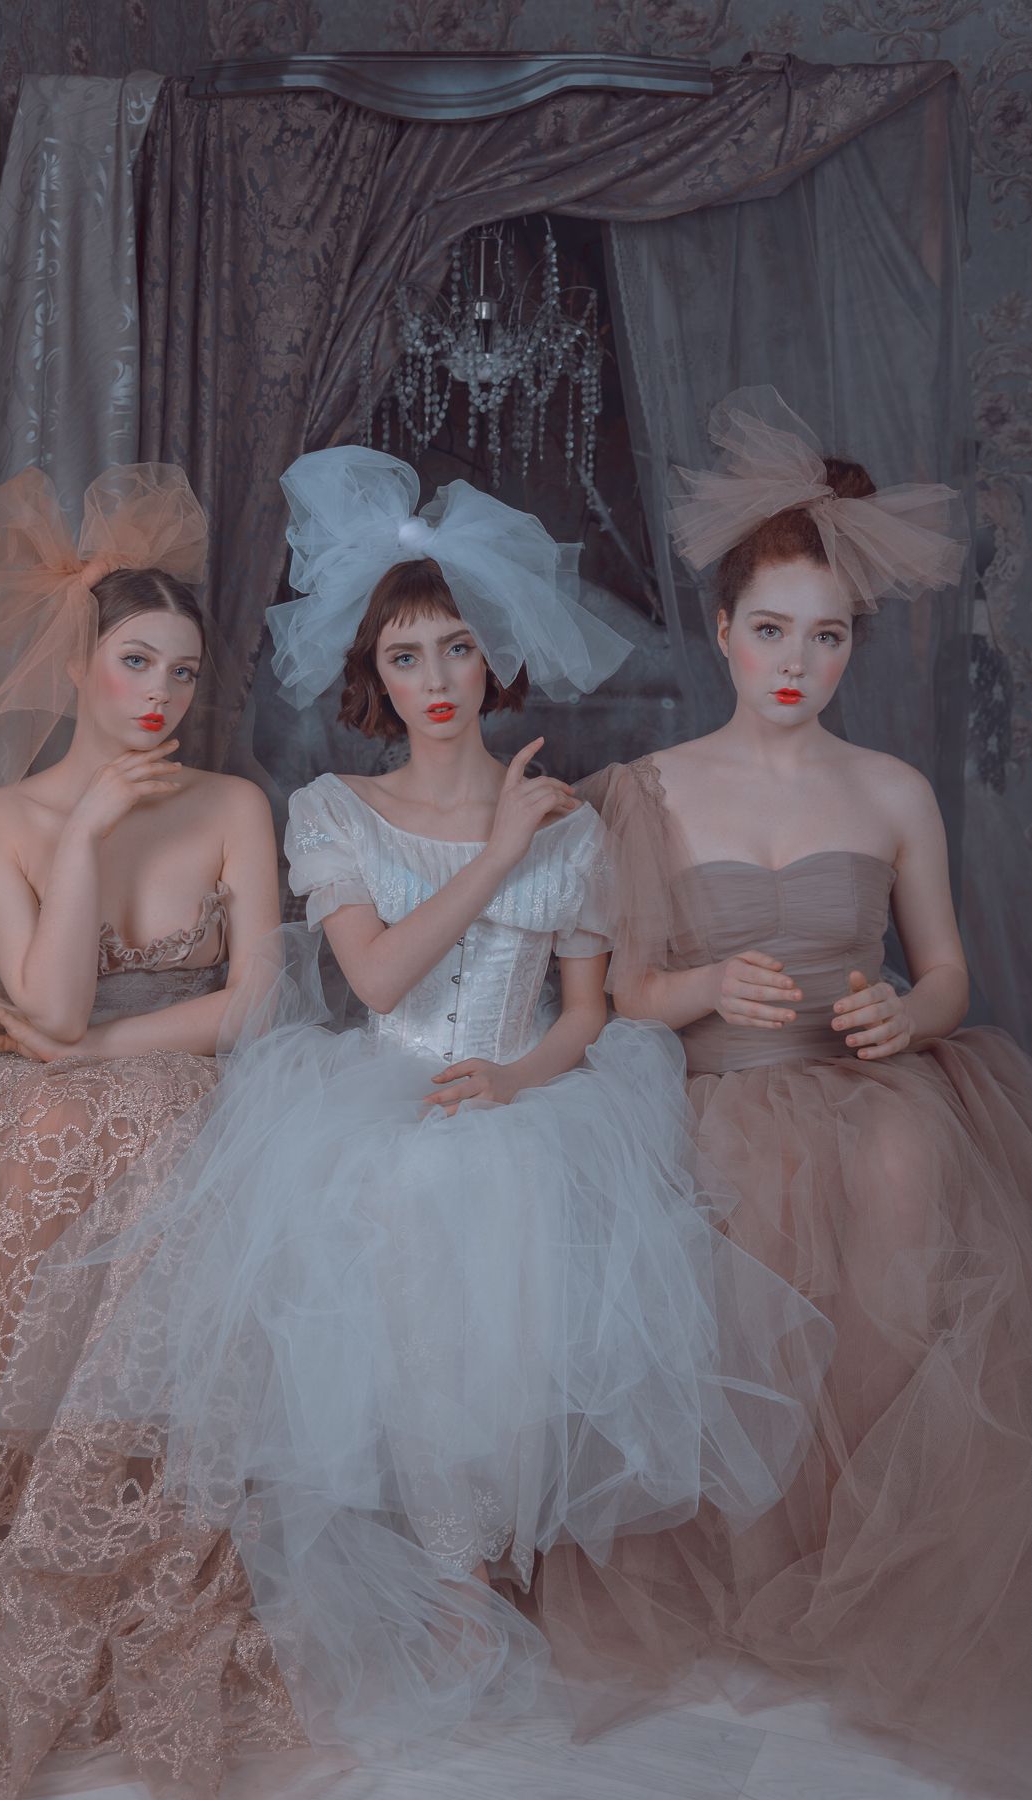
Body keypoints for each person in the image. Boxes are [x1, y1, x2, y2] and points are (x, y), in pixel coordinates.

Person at [7, 446, 834, 1759]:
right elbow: (380, 977)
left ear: (497, 656)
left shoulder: (569, 825)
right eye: (406, 657)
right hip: (378, 1089)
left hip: (521, 1092)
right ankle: (440, 1573)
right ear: (372, 674)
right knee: (410, 1196)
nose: (437, 681)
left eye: (457, 649)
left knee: (498, 1220)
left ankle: (475, 1563)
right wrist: (493, 855)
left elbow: (586, 1011)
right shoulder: (334, 810)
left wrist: (514, 1078)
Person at [569, 388, 1032, 1792]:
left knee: (898, 1171)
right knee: (755, 1190)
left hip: (870, 1076)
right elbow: (626, 992)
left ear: (851, 645)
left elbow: (945, 973)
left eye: (826, 636)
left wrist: (908, 1009)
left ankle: (869, 1560)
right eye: (771, 629)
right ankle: (757, 1560)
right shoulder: (646, 789)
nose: (796, 662)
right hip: (719, 1084)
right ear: (721, 630)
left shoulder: (890, 790)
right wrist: (708, 985)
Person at [0, 464, 293, 1793]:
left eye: (182, 672)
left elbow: (253, 1005)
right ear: (74, 665)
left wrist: (92, 1054)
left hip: (182, 1079)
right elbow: (42, 1004)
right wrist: (85, 832)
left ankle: (114, 1520)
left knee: (134, 1137)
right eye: (134, 661)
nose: (160, 695)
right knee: (37, 1133)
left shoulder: (231, 805)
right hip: (37, 1085)